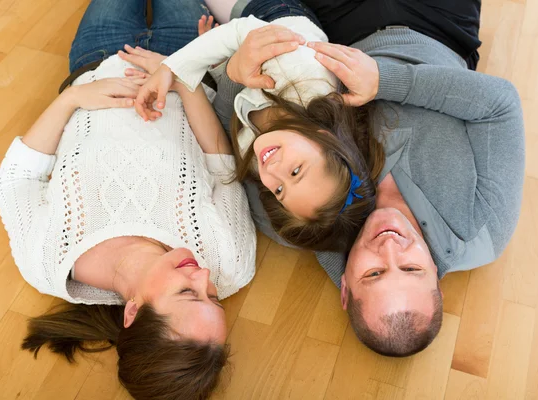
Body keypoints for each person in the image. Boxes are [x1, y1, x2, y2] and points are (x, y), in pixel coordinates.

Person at [207, 0, 525, 357]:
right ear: (435, 273)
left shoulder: (296, 221)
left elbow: (233, 140)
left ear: (345, 288)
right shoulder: (484, 231)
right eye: (411, 267)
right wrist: (385, 81)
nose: (390, 246)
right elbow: (500, 105)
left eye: (374, 274)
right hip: (437, 24)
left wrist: (233, 74)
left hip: (328, 31)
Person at [0, 1, 256, 399]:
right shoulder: (232, 262)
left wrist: (74, 99)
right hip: (186, 61)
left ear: (133, 312)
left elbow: (18, 179)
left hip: (98, 60)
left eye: (187, 293)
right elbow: (223, 168)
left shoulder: (46, 261)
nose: (203, 277)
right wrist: (180, 74)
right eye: (213, 298)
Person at [134, 0, 386, 252]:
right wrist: (172, 68)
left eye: (279, 190)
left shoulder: (258, 158)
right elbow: (242, 32)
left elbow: (233, 94)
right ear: (323, 137)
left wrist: (222, 64)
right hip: (272, 16)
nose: (273, 171)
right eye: (296, 171)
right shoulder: (305, 72)